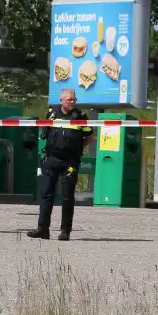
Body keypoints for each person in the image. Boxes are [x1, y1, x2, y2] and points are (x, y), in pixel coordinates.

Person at [28, 88, 93, 241]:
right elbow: (45, 133)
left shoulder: (81, 116)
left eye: (73, 99)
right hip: (52, 159)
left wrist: (77, 149)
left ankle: (65, 231)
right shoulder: (52, 114)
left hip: (70, 161)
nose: (72, 102)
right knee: (46, 195)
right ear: (61, 101)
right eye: (68, 99)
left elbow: (90, 137)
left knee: (67, 197)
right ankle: (42, 229)